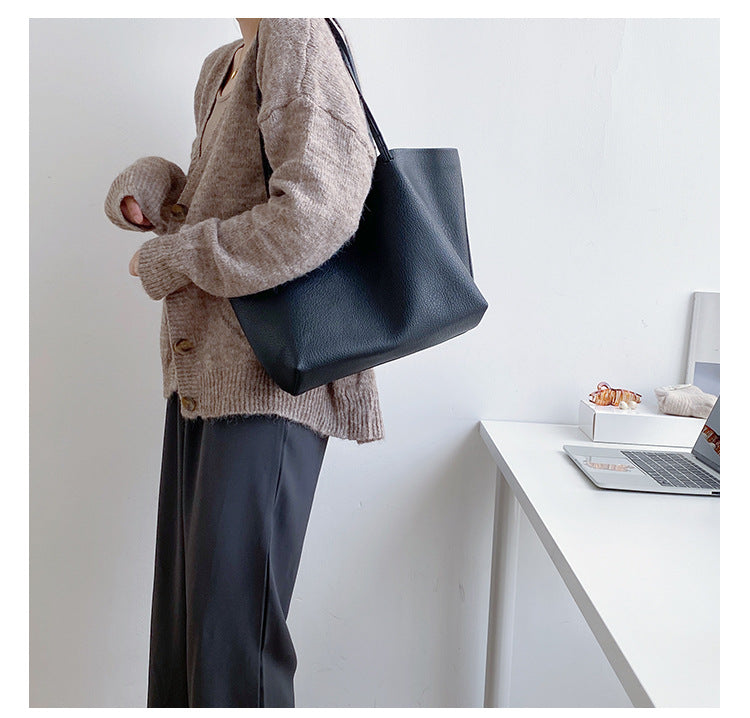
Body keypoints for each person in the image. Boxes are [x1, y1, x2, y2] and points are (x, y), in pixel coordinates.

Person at [103, 17, 385, 708]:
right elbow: (234, 207)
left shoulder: (296, 32)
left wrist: (171, 258)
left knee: (233, 657)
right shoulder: (224, 62)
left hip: (270, 380)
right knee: (189, 645)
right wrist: (163, 188)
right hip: (206, 377)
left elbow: (317, 213)